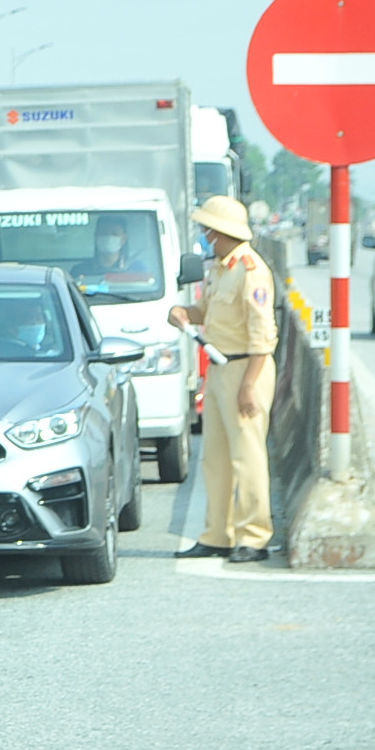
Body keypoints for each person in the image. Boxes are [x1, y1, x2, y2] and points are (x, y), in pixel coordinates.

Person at [168, 195, 277, 564]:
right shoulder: (220, 268)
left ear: (221, 232)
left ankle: (254, 537)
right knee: (215, 458)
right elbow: (208, 312)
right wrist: (185, 313)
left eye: (208, 230)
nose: (205, 236)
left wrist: (249, 385)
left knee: (247, 457)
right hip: (218, 367)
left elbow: (264, 336)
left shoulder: (251, 270)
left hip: (247, 369)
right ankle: (218, 534)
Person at [71, 216, 145, 283]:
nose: (109, 237)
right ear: (96, 236)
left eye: (114, 233)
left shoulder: (137, 268)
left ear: (124, 238)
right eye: (103, 233)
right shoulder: (79, 270)